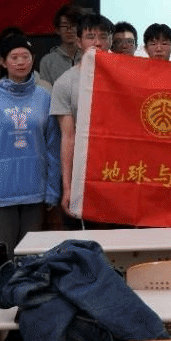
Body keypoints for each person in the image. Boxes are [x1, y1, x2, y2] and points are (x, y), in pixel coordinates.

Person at [0, 34, 62, 262]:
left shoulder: (44, 97)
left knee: (31, 261)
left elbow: (53, 146)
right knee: (3, 262)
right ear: (3, 61)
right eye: (14, 57)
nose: (21, 62)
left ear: (33, 59)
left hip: (35, 192)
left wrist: (52, 190)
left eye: (25, 56)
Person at [51, 14, 113, 210]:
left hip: (119, 170)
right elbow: (68, 138)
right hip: (84, 170)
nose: (97, 42)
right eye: (90, 37)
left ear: (110, 40)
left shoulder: (127, 77)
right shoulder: (65, 82)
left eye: (103, 36)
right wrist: (68, 188)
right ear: (78, 42)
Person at [40, 3, 83, 84]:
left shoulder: (88, 58)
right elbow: (45, 89)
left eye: (73, 25)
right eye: (64, 26)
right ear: (57, 30)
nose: (69, 30)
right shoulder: (48, 61)